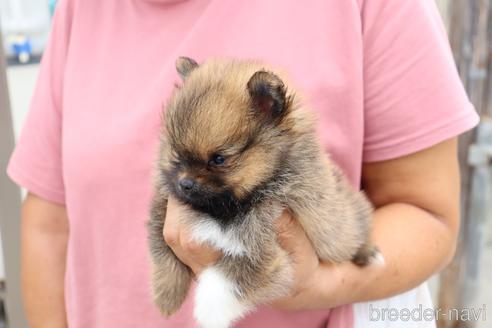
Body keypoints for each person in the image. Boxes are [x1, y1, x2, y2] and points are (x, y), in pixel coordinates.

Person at [7, 0, 479, 327]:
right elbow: (49, 221)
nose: (189, 180)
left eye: (219, 160)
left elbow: (428, 213)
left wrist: (316, 281)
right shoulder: (80, 10)